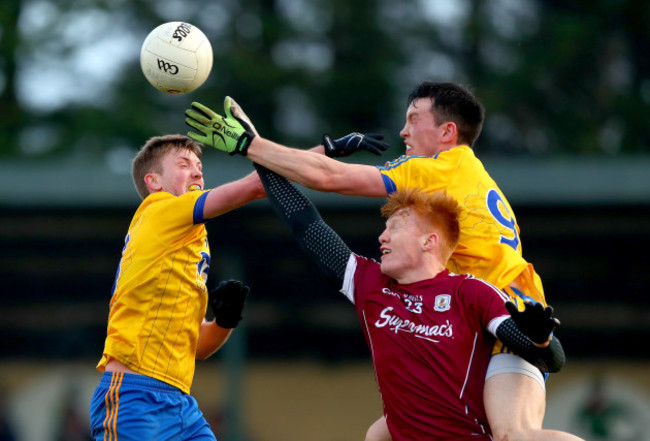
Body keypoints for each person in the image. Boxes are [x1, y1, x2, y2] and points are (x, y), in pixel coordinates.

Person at [184, 84, 585, 441]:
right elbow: (309, 223)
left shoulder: (438, 171)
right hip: (478, 314)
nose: (403, 132)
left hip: (508, 307)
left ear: (447, 133)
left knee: (513, 433)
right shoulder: (464, 177)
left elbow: (327, 178)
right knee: (382, 431)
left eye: (413, 120)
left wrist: (250, 144)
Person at [250, 159, 566, 440]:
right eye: (384, 228)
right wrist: (258, 154)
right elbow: (307, 225)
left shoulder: (471, 293)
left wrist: (540, 341)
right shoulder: (369, 283)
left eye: (395, 227)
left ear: (430, 241)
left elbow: (552, 360)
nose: (382, 237)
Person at [89, 134, 261, 441]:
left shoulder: (186, 241)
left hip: (180, 403)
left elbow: (198, 348)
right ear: (153, 182)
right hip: (133, 396)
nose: (197, 172)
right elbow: (254, 186)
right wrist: (321, 154)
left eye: (199, 165)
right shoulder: (161, 208)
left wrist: (225, 322)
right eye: (184, 165)